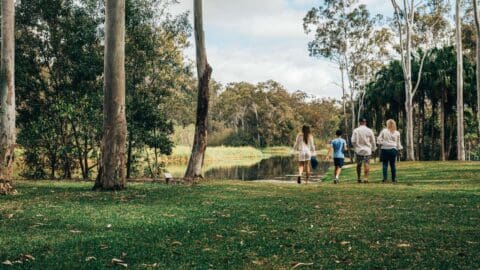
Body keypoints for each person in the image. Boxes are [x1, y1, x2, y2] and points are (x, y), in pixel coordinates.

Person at [377, 119, 403, 183]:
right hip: (393, 149)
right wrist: (400, 150)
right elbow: (398, 143)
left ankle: (385, 179)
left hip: (385, 149)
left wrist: (382, 143)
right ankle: (394, 179)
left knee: (385, 164)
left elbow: (378, 139)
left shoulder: (384, 131)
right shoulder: (397, 133)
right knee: (393, 165)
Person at [351, 118, 376, 183]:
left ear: (359, 122)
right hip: (367, 150)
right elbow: (373, 141)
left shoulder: (356, 130)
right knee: (366, 163)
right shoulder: (369, 130)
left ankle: (359, 178)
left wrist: (355, 147)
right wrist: (373, 149)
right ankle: (366, 178)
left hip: (359, 150)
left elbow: (353, 141)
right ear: (365, 122)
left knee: (358, 165)